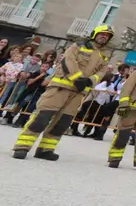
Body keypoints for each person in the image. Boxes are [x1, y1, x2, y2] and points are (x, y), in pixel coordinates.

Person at [13, 25, 114, 161]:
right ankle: (22, 146)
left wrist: (89, 81)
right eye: (102, 34)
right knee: (42, 117)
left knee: (62, 122)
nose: (104, 37)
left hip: (78, 92)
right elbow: (68, 61)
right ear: (95, 34)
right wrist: (77, 78)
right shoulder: (77, 45)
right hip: (60, 87)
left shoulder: (105, 55)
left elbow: (101, 72)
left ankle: (46, 149)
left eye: (107, 36)